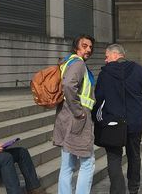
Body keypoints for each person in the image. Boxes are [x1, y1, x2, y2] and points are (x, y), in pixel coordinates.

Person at [94, 44, 142, 194]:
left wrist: (98, 119)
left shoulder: (105, 73)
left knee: (114, 158)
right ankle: (133, 188)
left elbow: (99, 99)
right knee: (134, 155)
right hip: (134, 122)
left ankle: (117, 191)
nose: (105, 60)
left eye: (107, 56)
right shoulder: (136, 69)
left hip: (112, 122)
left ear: (116, 55)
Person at [53, 34, 96, 194]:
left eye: (90, 47)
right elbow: (69, 86)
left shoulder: (67, 61)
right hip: (77, 119)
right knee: (87, 162)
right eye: (85, 46)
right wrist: (79, 112)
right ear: (76, 47)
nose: (89, 50)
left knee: (67, 164)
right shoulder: (78, 64)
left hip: (65, 117)